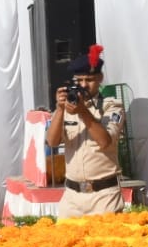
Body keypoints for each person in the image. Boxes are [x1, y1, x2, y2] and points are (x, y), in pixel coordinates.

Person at [46, 44, 127, 219]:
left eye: (89, 80)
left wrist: (83, 111)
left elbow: (105, 141)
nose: (83, 85)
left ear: (100, 78)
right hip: (72, 197)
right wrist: (60, 109)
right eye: (79, 80)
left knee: (105, 244)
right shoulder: (68, 106)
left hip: (104, 196)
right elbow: (52, 142)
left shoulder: (111, 107)